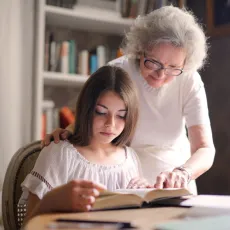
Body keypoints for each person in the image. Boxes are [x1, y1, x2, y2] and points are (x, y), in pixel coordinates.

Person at [42, 6, 215, 194]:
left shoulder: (189, 79)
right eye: (153, 63)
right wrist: (66, 134)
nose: (161, 74)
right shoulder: (117, 73)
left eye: (173, 67)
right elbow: (94, 118)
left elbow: (205, 148)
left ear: (185, 64)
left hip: (174, 184)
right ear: (141, 50)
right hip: (123, 182)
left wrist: (183, 173)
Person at [20, 66, 149, 222]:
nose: (111, 124)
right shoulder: (60, 153)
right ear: (86, 109)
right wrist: (53, 199)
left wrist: (144, 196)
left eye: (121, 116)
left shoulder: (130, 159)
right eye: (101, 112)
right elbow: (29, 221)